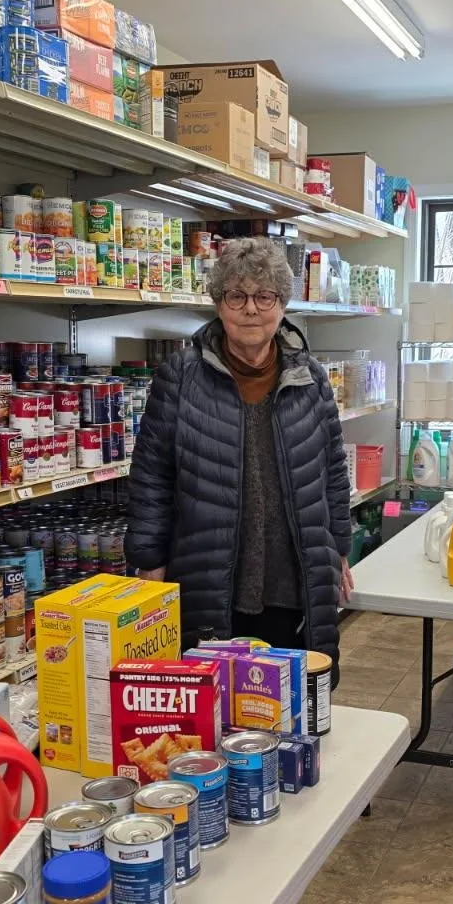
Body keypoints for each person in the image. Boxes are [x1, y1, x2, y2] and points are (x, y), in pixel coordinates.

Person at [126, 236, 354, 663]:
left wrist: (338, 547)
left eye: (265, 296)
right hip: (209, 578)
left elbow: (334, 471)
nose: (251, 309)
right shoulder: (180, 376)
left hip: (294, 575)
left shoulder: (312, 378)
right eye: (237, 296)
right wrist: (148, 559)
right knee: (214, 703)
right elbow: (152, 474)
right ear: (218, 303)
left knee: (296, 698)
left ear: (282, 304)